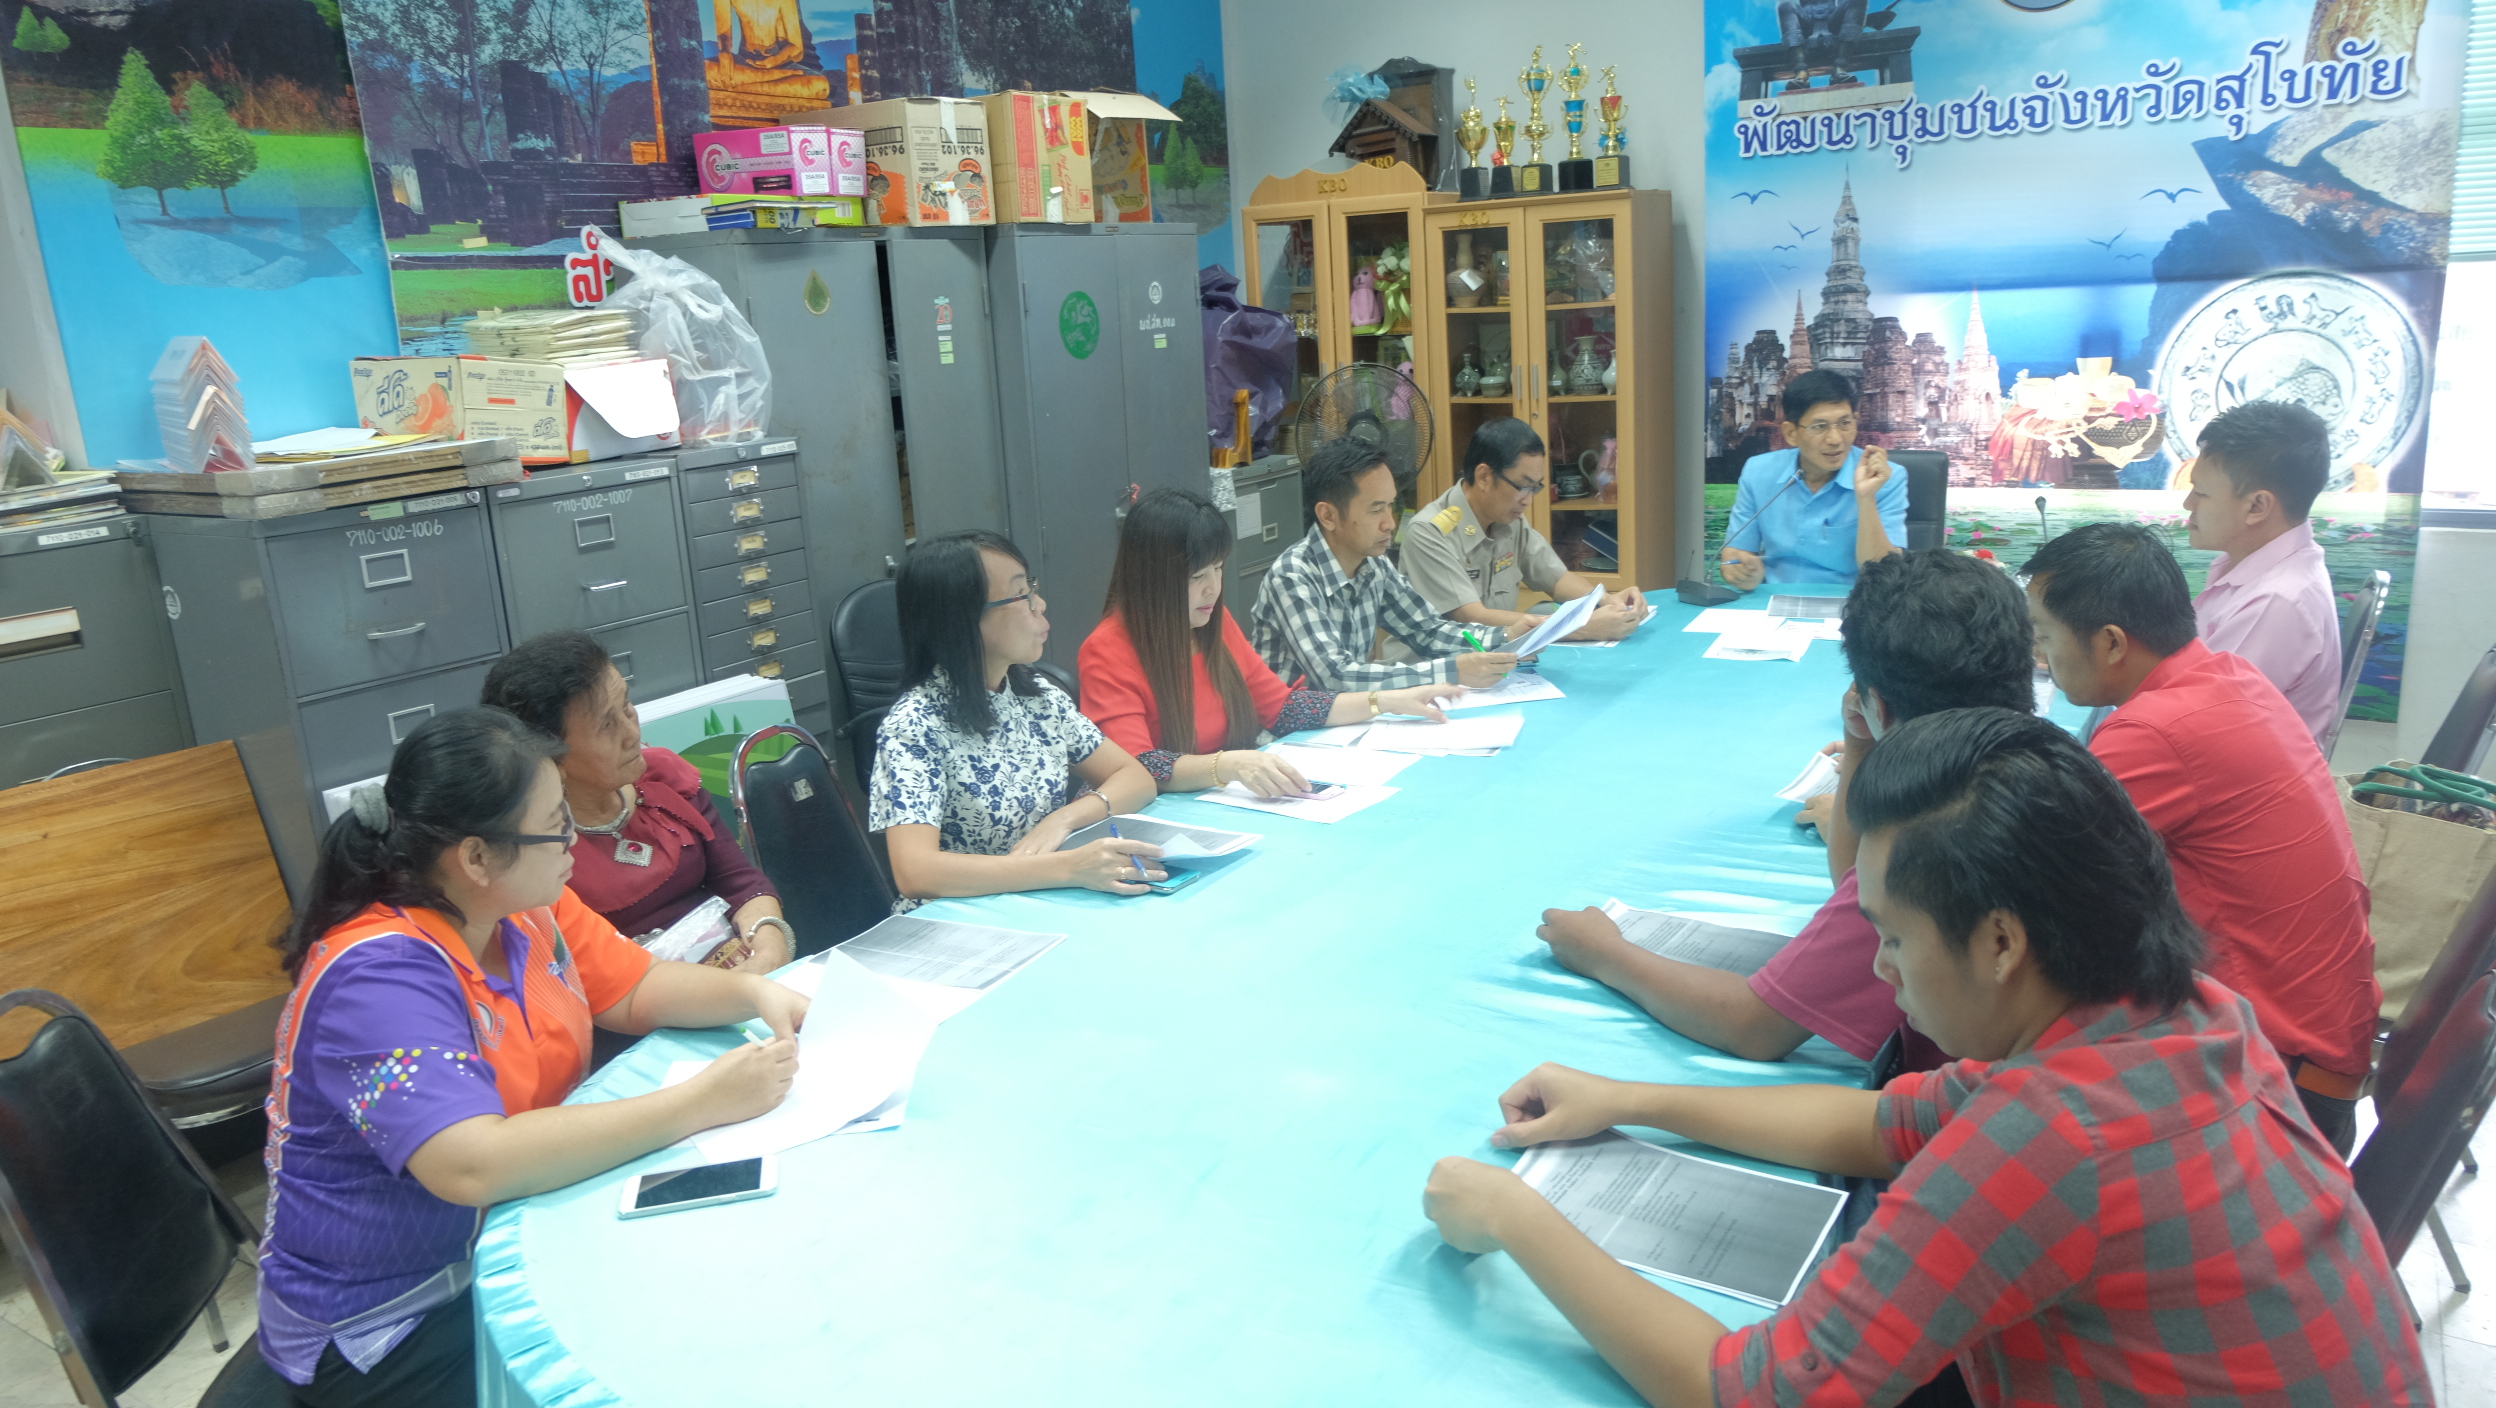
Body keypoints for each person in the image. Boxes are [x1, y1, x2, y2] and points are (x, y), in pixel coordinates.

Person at [1424, 709, 2428, 1406]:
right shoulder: (2182, 1010)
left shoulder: (2050, 1140)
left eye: (1895, 938)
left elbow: (1751, 1391)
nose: (1880, 967)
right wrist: (1629, 1098)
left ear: (2000, 942)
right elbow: (1885, 1122)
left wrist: (1518, 1217)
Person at [256, 708, 808, 1408]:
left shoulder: (522, 908)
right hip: (397, 1319)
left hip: (518, 1228)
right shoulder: (377, 977)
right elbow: (473, 1163)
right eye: (555, 825)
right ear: (477, 857)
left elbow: (635, 987)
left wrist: (755, 993)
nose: (575, 839)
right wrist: (701, 1102)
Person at [1534, 549, 2034, 1067]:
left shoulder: (1932, 836)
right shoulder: (2028, 768)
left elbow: (1752, 1027)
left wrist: (1605, 953)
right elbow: (1859, 887)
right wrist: (1859, 738)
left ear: (1879, 705)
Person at [2023, 522, 2377, 1152]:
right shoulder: (2229, 676)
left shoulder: (2155, 732)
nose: (2040, 657)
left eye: (2044, 636)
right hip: (2318, 1052)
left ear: (2111, 643)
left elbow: (2023, 873)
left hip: (2278, 1090)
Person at [1078, 487, 1462, 794]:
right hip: (1152, 820)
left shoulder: (1211, 623)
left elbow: (1282, 708)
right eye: (1196, 576)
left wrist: (1385, 702)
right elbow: (1137, 767)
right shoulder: (1106, 650)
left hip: (1217, 800)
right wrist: (1228, 764)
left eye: (1218, 568)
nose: (1213, 588)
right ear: (1151, 578)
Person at [870, 529, 1168, 908]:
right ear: (964, 617)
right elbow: (916, 873)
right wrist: (1067, 868)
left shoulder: (1036, 694)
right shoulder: (914, 724)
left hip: (1041, 900)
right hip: (958, 919)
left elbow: (1136, 778)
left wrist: (1063, 820)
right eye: (1021, 595)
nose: (1039, 605)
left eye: (1032, 588)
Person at [481, 631, 789, 970]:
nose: (632, 733)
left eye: (626, 706)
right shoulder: (539, 850)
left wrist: (769, 950)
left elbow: (740, 882)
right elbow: (574, 975)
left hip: (742, 971)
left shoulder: (664, 780)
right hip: (642, 996)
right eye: (606, 726)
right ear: (551, 756)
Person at [1249, 437, 1523, 691]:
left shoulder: (1374, 564)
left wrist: (1508, 636)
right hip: (1291, 726)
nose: (1390, 523)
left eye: (1390, 506)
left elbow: (1427, 631)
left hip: (1351, 718)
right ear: (1328, 516)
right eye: (1376, 509)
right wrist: (1450, 672)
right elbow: (1336, 676)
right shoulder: (1293, 576)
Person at [1397, 418, 1647, 644]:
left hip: (1495, 663)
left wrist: (1607, 600)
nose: (1528, 500)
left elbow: (1556, 579)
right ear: (1484, 477)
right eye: (1523, 486)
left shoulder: (1508, 519)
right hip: (1435, 672)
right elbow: (1472, 617)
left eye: (1535, 488)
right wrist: (1579, 627)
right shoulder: (1429, 533)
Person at [2182, 400, 2343, 745]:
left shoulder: (2276, 602)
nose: (2188, 504)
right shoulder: (2246, 566)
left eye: (2201, 493)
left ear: (2257, 506)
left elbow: (2199, 727)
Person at [1719, 369, 1906, 591]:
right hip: (1775, 600)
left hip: (1853, 602)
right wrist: (1743, 571)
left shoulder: (1885, 478)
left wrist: (1866, 499)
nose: (1835, 439)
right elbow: (1735, 552)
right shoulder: (1759, 471)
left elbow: (1884, 575)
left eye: (1845, 423)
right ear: (1791, 433)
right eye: (1819, 427)